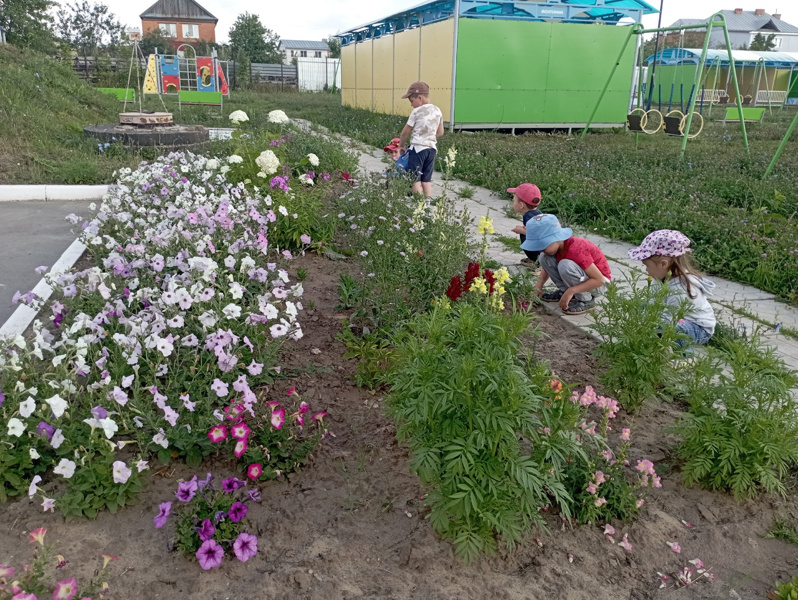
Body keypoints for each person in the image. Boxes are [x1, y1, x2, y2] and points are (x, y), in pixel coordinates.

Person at [628, 229, 716, 346]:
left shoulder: (680, 289)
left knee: (672, 331)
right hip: (672, 317)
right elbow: (653, 303)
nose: (646, 270)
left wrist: (646, 332)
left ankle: (684, 357)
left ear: (663, 264)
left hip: (697, 328)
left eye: (647, 265)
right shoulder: (661, 278)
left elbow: (668, 321)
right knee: (640, 305)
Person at [524, 214, 611, 315]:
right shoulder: (558, 247)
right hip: (585, 279)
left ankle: (586, 300)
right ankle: (565, 292)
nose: (540, 249)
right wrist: (538, 285)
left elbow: (599, 280)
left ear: (556, 238)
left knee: (565, 265)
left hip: (599, 285)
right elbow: (545, 268)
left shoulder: (576, 250)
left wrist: (572, 290)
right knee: (544, 257)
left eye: (543, 245)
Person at [398, 81, 443, 200]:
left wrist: (401, 145)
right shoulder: (438, 110)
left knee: (415, 178)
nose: (411, 105)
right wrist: (429, 138)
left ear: (420, 98)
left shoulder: (417, 111)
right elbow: (440, 132)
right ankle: (427, 202)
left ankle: (418, 203)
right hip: (431, 149)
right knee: (426, 179)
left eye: (412, 101)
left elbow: (405, 132)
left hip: (418, 149)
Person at [508, 183, 543, 268]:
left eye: (514, 201)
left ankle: (538, 262)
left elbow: (536, 234)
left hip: (542, 249)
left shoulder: (528, 216)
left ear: (521, 205)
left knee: (524, 237)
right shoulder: (537, 213)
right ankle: (538, 259)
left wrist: (521, 230)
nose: (513, 203)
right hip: (545, 248)